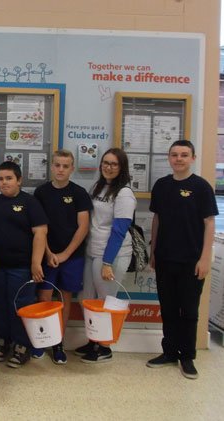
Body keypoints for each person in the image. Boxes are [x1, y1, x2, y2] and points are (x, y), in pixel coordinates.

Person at [146, 140, 217, 379]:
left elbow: (209, 223)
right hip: (165, 258)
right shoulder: (162, 186)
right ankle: (169, 352)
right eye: (174, 155)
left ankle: (187, 357)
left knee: (188, 310)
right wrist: (153, 251)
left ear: (192, 158)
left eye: (184, 155)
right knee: (167, 308)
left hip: (192, 261)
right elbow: (157, 220)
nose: (179, 159)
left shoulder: (202, 187)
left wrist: (205, 257)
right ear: (169, 158)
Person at [0, 161, 48, 368]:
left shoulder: (31, 203)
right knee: (0, 305)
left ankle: (22, 346)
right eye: (0, 179)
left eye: (9, 178)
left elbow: (40, 233)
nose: (4, 183)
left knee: (20, 307)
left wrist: (36, 263)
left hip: (22, 268)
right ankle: (1, 342)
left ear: (19, 180)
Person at [76, 148, 136, 363]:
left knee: (105, 302)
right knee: (87, 299)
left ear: (121, 168)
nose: (108, 167)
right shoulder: (99, 186)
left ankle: (105, 347)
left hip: (111, 255)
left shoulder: (124, 193)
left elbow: (119, 230)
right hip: (92, 250)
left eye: (114, 164)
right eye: (105, 163)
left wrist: (108, 262)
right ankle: (93, 340)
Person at [34, 150, 92, 364]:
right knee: (44, 298)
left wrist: (66, 254)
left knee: (65, 299)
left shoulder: (79, 193)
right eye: (57, 165)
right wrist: (48, 253)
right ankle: (41, 340)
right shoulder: (41, 192)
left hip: (72, 257)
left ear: (72, 168)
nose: (60, 169)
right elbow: (40, 227)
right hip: (47, 256)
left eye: (65, 166)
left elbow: (83, 226)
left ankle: (58, 343)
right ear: (51, 166)